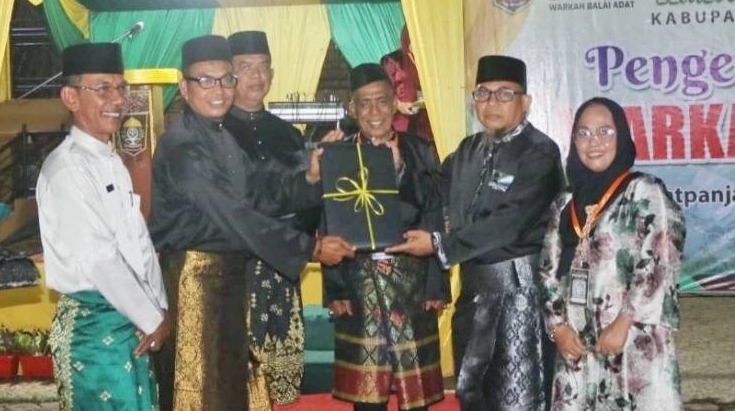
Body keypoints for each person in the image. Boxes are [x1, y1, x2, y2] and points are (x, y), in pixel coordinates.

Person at [148, 34, 356, 411]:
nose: (219, 90)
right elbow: (236, 216)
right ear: (184, 88)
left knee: (232, 389)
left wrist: (308, 179)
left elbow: (257, 191)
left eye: (226, 79)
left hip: (229, 281)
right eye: (205, 80)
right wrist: (311, 248)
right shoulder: (184, 149)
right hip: (196, 283)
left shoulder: (219, 137)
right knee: (202, 392)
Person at [387, 55, 564, 410]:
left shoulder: (540, 153)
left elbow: (510, 223)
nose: (491, 102)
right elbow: (431, 194)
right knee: (471, 392)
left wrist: (440, 244)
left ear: (525, 102)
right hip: (473, 296)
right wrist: (399, 167)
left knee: (518, 397)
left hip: (519, 298)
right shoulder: (468, 150)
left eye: (504, 93)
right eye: (483, 93)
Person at [37, 43, 169, 410]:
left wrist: (158, 308)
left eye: (121, 87)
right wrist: (150, 317)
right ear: (70, 97)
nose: (118, 99)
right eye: (103, 88)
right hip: (93, 331)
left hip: (132, 323)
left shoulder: (110, 160)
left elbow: (139, 243)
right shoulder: (66, 169)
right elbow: (99, 258)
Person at [539, 97, 685, 410]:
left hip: (632, 339)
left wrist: (624, 322)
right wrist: (558, 328)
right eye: (583, 133)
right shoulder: (564, 202)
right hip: (576, 344)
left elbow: (661, 260)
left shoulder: (645, 192)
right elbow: (547, 270)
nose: (593, 142)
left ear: (621, 136)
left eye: (605, 132)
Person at [324, 63, 449, 411]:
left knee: (416, 399)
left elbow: (435, 212)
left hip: (413, 283)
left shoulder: (419, 149)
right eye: (364, 103)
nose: (374, 111)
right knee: (367, 398)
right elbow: (328, 220)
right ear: (352, 109)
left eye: (381, 101)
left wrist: (437, 286)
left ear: (395, 103)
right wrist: (335, 288)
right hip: (358, 285)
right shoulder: (339, 153)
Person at [223, 30, 321, 409]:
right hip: (236, 269)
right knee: (236, 374)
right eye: (245, 67)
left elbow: (309, 203)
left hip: (282, 268)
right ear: (230, 74)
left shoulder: (288, 134)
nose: (256, 76)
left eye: (263, 67)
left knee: (282, 376)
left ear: (273, 74)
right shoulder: (216, 133)